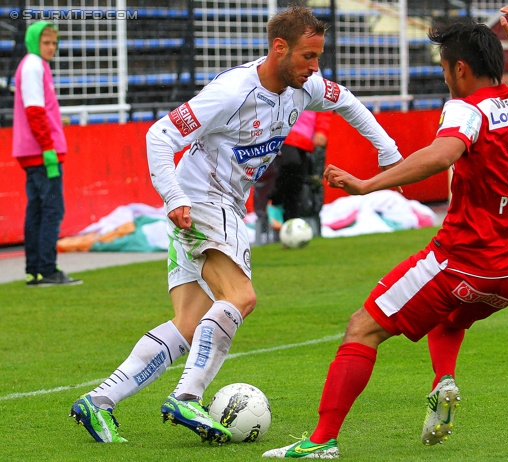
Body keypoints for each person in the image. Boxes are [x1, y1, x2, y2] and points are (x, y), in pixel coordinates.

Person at [69, 5, 402, 444]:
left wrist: (389, 151)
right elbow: (159, 135)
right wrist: (174, 197)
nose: (314, 67)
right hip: (203, 200)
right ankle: (187, 395)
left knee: (189, 323)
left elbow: (347, 104)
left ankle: (99, 401)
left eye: (318, 57)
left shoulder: (306, 86)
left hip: (219, 205)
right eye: (307, 56)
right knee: (241, 297)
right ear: (279, 48)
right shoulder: (231, 91)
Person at [263, 6, 508, 458]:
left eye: (446, 69)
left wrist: (368, 184)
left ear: (461, 69)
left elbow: (441, 155)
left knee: (362, 328)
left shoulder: (466, 110)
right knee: (448, 318)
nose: (445, 78)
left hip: (462, 260)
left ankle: (320, 442)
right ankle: (442, 381)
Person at [12, 21, 82, 287]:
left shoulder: (33, 64)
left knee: (38, 210)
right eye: (46, 43)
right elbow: (34, 112)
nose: (51, 48)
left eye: (54, 43)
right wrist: (48, 148)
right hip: (42, 153)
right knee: (52, 209)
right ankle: (47, 269)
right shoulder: (33, 66)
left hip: (35, 151)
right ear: (34, 42)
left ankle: (35, 271)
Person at [253, 107, 331, 243]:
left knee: (297, 185)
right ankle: (274, 200)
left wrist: (322, 130)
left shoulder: (316, 85)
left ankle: (290, 231)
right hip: (282, 131)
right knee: (291, 164)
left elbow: (324, 104)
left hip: (306, 136)